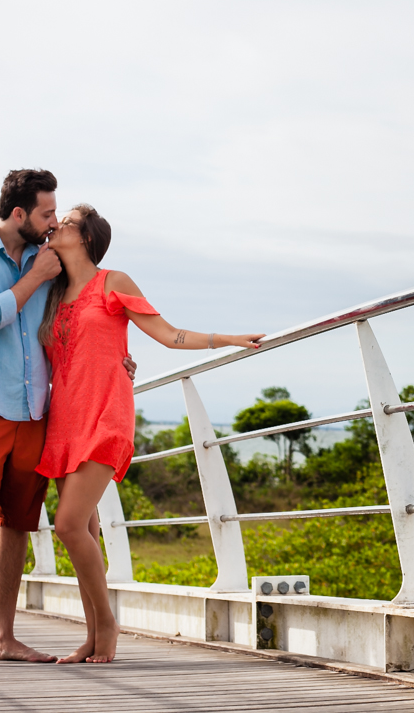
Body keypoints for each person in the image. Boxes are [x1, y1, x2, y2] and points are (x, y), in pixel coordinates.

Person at [36, 204, 263, 663]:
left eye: (68, 220)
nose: (57, 224)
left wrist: (229, 338)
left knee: (67, 525)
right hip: (63, 418)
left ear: (85, 237)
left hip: (105, 414)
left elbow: (168, 334)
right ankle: (93, 634)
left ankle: (108, 625)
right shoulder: (52, 292)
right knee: (87, 531)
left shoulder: (113, 282)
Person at [0, 170, 136, 669]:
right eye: (46, 214)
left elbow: (85, 320)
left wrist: (119, 362)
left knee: (19, 525)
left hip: (35, 411)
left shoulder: (51, 264)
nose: (51, 224)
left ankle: (3, 637)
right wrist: (36, 276)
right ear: (19, 213)